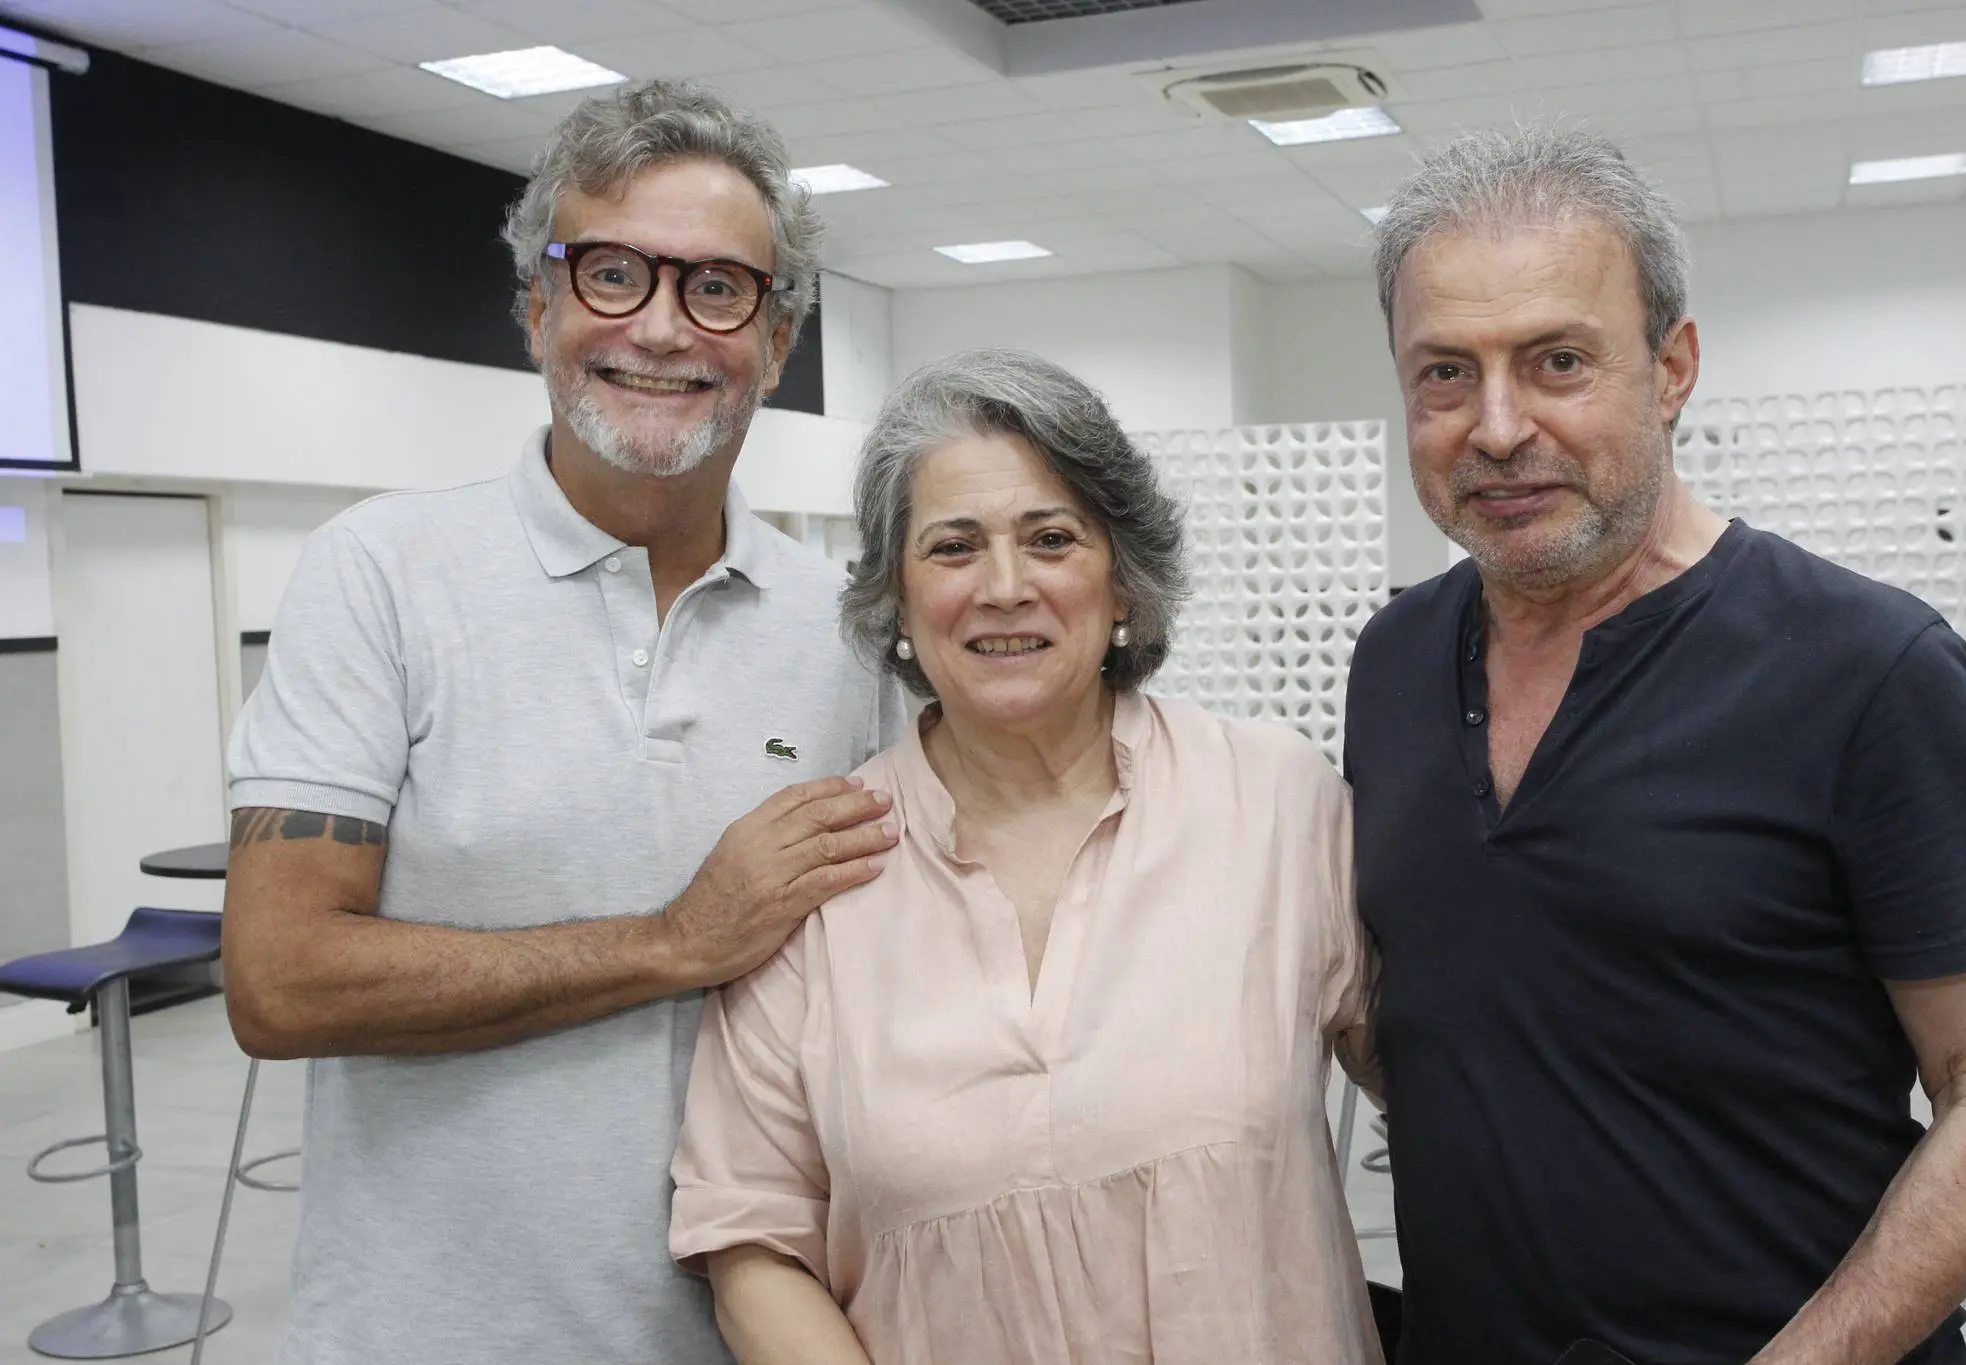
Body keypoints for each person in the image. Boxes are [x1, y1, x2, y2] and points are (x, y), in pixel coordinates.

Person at [222, 80, 901, 1365]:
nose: (661, 327)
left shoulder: (847, 629)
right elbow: (279, 980)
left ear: (776, 343)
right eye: (611, 274)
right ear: (536, 307)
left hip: (754, 1336)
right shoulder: (381, 574)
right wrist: (673, 941)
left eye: (716, 287)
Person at [1346, 125, 1966, 1364]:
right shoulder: (1392, 660)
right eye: (1444, 373)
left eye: (1557, 361)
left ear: (1670, 369)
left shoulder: (1863, 667)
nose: (1495, 428)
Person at [668, 347, 1383, 1365]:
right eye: (953, 547)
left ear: (1121, 582)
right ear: (896, 598)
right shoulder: (819, 866)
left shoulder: (1276, 802)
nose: (1004, 588)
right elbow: (749, 1236)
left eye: (1051, 539)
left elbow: (1446, 1077)